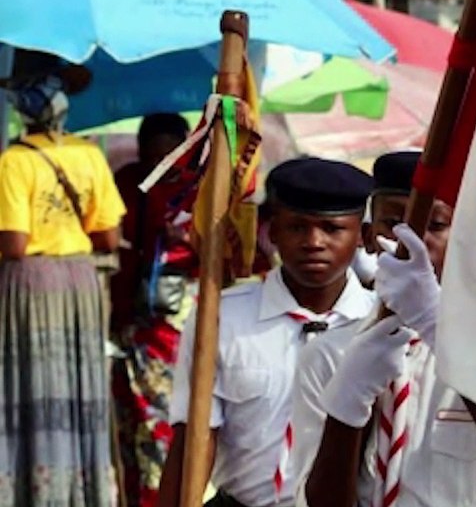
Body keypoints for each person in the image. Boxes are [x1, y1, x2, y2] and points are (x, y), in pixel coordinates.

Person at [291, 149, 476, 507]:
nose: (413, 241)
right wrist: (347, 406)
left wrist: (435, 324)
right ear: (367, 237)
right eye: (394, 225)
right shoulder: (330, 353)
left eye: (435, 226)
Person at [156, 157, 378, 507]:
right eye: (297, 227)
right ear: (272, 231)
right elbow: (193, 441)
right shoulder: (220, 319)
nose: (313, 242)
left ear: (363, 236)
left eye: (332, 229)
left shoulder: (381, 326)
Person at [0, 65, 126, 506]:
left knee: (30, 386)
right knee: (80, 384)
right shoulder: (89, 154)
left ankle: (31, 491)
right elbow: (109, 237)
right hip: (80, 282)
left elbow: (13, 244)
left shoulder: (14, 161)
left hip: (32, 283)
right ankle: (81, 490)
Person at [110, 113, 197, 507]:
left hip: (173, 328)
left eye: (170, 159)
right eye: (154, 158)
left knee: (163, 425)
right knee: (128, 427)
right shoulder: (128, 183)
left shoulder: (198, 193)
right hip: (127, 324)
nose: (161, 168)